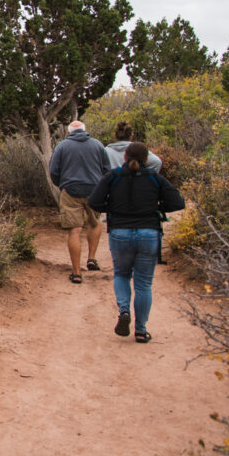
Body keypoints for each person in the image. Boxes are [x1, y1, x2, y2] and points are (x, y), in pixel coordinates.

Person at [88, 142, 185, 343]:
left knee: (122, 274)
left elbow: (94, 202)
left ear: (125, 157)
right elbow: (178, 202)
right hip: (148, 233)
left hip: (120, 232)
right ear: (146, 159)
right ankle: (141, 330)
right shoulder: (154, 178)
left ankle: (124, 311)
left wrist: (112, 207)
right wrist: (158, 207)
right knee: (143, 283)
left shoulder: (113, 177)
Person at [49, 120, 111, 284]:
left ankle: (76, 273)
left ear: (68, 133)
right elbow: (107, 170)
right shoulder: (97, 145)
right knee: (94, 222)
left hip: (70, 190)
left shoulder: (62, 146)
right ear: (85, 131)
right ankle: (91, 259)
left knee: (74, 230)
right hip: (94, 190)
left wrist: (62, 184)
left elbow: (54, 171)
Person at [105, 121, 167, 264]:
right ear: (131, 135)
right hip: (141, 190)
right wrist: (148, 175)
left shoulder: (106, 151)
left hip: (116, 191)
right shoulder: (138, 149)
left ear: (115, 135)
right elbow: (157, 161)